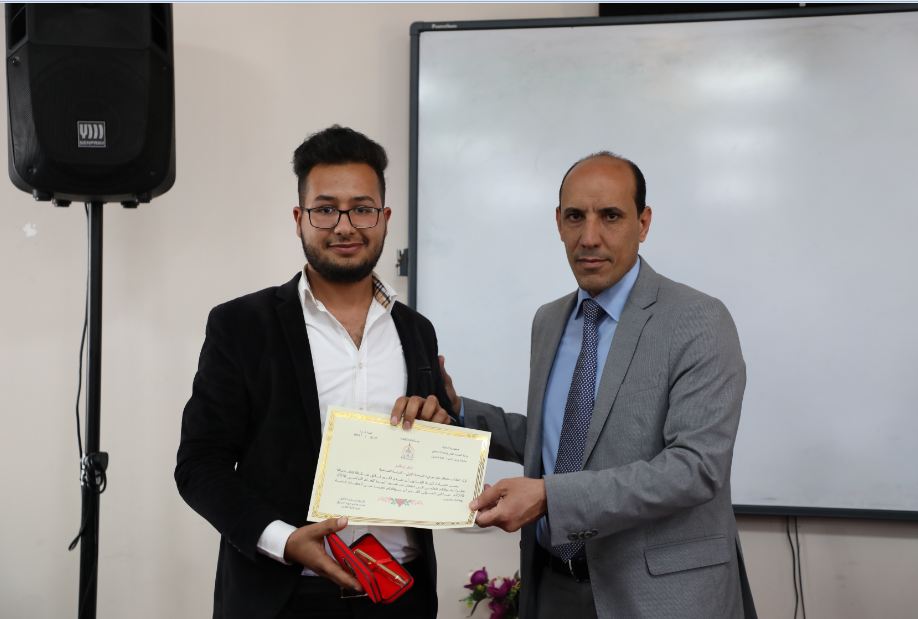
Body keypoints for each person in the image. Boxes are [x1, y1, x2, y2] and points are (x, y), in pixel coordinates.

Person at [429, 153, 758, 618]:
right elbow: (562, 442)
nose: (589, 237)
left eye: (611, 216)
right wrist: (460, 410)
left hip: (659, 599)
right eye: (575, 217)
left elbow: (695, 468)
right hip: (553, 587)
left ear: (643, 223)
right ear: (558, 223)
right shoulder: (549, 320)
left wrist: (550, 496)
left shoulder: (698, 319)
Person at [175, 125, 453, 619]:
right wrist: (282, 540)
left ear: (385, 218)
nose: (345, 226)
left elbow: (432, 451)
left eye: (362, 209)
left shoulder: (417, 330)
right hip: (282, 598)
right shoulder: (241, 325)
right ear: (299, 218)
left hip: (401, 597)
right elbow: (200, 465)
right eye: (326, 209)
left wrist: (441, 429)